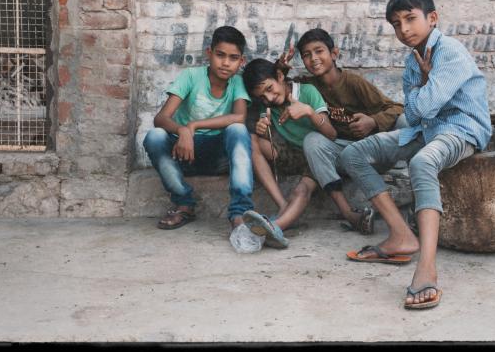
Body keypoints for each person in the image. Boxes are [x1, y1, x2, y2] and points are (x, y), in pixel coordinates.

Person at [338, 0, 492, 310]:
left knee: (422, 162)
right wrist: (423, 90)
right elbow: (412, 113)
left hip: (461, 130)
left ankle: (427, 267)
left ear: (432, 19)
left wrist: (423, 89)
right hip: (425, 131)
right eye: (396, 24)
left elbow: (424, 105)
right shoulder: (412, 60)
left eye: (410, 19)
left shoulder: (450, 52)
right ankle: (401, 235)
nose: (403, 29)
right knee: (352, 154)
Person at [276, 28, 406, 235]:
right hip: (339, 154)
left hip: (370, 153)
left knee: (406, 122)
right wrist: (281, 68)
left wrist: (372, 121)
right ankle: (348, 212)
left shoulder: (353, 82)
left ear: (334, 54)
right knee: (313, 140)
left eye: (319, 51)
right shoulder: (308, 86)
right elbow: (276, 88)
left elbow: (397, 108)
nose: (314, 59)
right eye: (307, 55)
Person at [143, 26, 254, 239]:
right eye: (220, 55)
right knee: (154, 136)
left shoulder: (237, 82)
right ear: (209, 53)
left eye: (233, 58)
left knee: (238, 130)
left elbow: (239, 117)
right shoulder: (192, 76)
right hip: (184, 153)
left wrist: (194, 126)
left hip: (219, 156)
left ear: (241, 62)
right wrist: (182, 130)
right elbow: (161, 118)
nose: (225, 63)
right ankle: (184, 203)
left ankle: (240, 211)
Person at [241, 58, 337, 249]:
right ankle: (283, 206)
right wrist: (262, 129)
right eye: (261, 96)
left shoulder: (307, 92)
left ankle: (276, 228)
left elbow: (332, 135)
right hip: (292, 155)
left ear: (279, 76)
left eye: (269, 89)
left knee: (301, 190)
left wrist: (309, 112)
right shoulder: (267, 106)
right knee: (253, 140)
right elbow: (263, 132)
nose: (268, 98)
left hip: (316, 156)